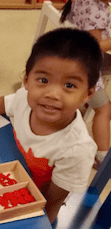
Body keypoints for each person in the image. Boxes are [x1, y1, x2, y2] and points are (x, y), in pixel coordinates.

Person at [0, 28, 101, 224]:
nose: (52, 94)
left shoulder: (77, 149)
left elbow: (54, 201)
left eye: (69, 85)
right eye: (43, 80)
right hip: (9, 170)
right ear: (26, 80)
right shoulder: (25, 100)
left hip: (37, 201)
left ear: (88, 94)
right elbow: (7, 102)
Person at [60, 0, 111, 168]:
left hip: (77, 59)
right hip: (87, 68)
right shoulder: (97, 10)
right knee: (104, 110)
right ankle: (103, 157)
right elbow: (95, 47)